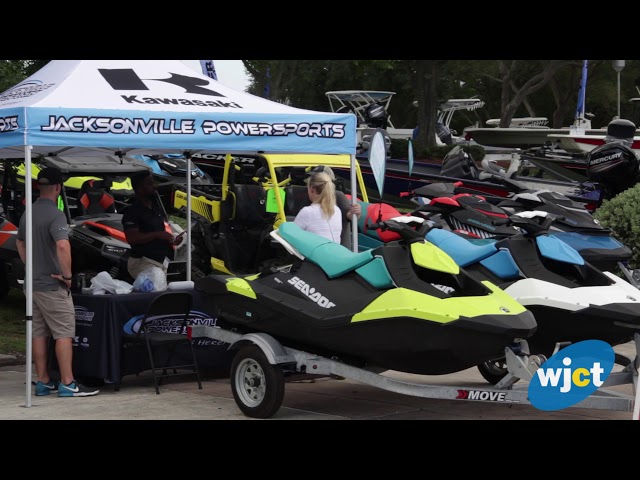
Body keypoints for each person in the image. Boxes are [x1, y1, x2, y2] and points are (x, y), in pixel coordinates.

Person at [15, 167, 99, 397]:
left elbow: (20, 243)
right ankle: (68, 382)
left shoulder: (28, 212)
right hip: (53, 285)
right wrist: (68, 276)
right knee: (63, 332)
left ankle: (43, 381)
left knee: (39, 331)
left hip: (32, 283)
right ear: (58, 188)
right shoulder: (56, 214)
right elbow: (63, 245)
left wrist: (31, 265)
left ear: (39, 187)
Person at [123, 171, 184, 281]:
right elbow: (132, 238)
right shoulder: (132, 212)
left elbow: (159, 233)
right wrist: (157, 235)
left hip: (161, 262)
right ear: (140, 188)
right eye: (150, 184)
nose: (154, 186)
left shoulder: (156, 208)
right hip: (144, 262)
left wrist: (172, 240)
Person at [306, 165, 361, 247]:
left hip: (339, 248)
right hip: (320, 246)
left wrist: (356, 212)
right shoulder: (310, 195)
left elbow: (349, 215)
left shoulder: (338, 196)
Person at [293, 171, 342, 243]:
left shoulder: (308, 212)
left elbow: (291, 236)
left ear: (312, 188)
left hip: (315, 254)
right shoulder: (337, 210)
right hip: (336, 252)